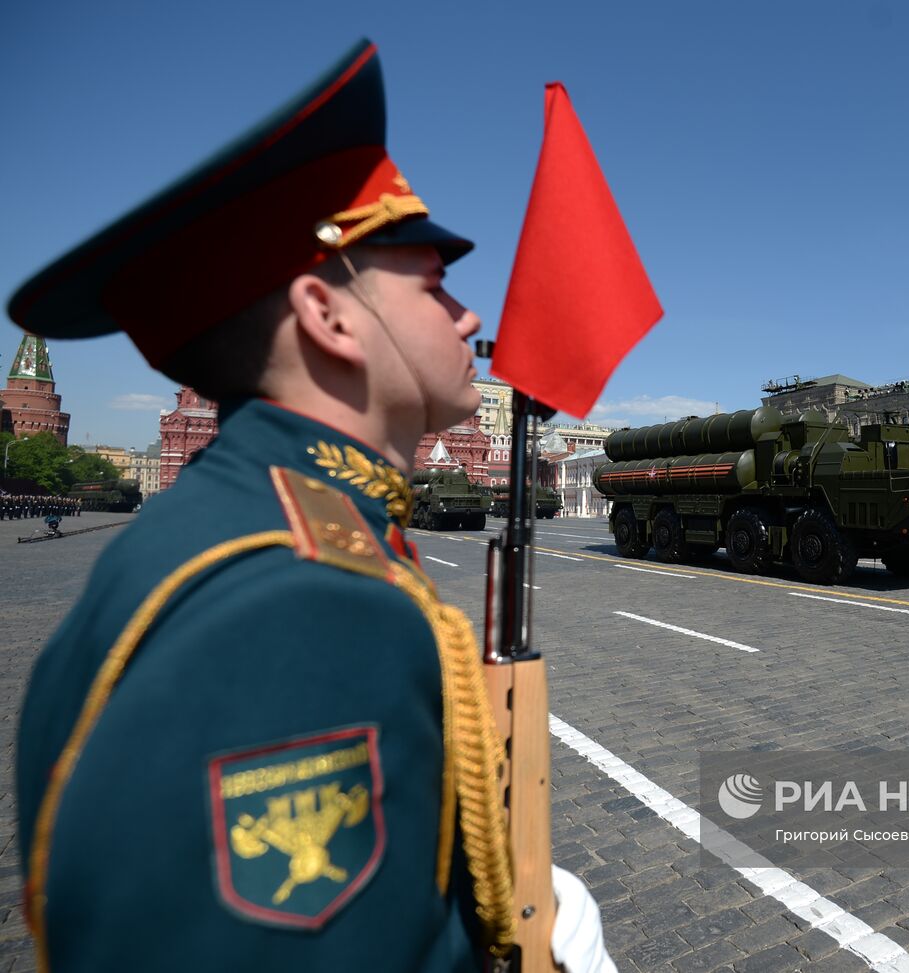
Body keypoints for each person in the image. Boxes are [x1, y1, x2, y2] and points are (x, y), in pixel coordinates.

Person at [8, 40, 613, 973]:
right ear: (329, 319)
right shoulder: (302, 603)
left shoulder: (258, 523)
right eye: (432, 281)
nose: (466, 317)